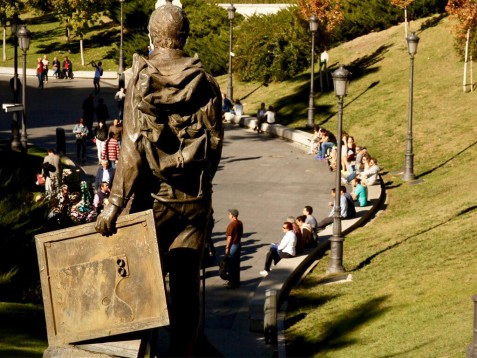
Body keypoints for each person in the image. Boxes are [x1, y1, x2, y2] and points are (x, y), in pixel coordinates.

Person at [94, 2, 223, 355]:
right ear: (184, 37)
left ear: (153, 36)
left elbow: (133, 146)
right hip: (194, 202)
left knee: (138, 285)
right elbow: (215, 143)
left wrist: (113, 205)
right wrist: (201, 183)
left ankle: (144, 352)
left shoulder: (142, 79)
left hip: (154, 202)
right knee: (185, 290)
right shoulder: (207, 82)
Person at [224, 209, 243, 288]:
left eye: (229, 214)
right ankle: (237, 281)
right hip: (238, 244)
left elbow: (229, 237)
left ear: (232, 215)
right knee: (236, 264)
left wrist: (227, 247)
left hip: (233, 245)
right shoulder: (240, 223)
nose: (229, 215)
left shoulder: (232, 224)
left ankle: (231, 282)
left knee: (231, 265)